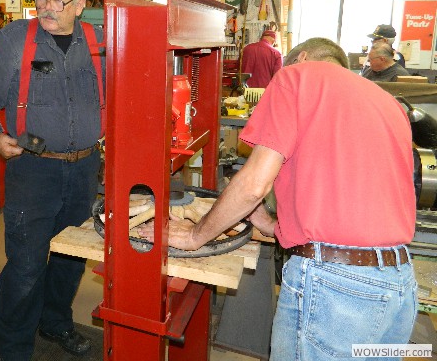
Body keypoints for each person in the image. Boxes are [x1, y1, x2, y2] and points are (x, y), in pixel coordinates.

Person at [140, 37, 417, 361]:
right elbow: (352, 201)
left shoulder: (296, 77)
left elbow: (254, 185)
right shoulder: (389, 104)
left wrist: (195, 235)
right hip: (398, 287)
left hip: (336, 288)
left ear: (300, 58)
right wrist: (271, 224)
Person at [0, 0, 105, 361]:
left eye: (56, 0)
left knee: (70, 258)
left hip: (83, 170)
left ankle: (56, 322)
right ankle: (14, 349)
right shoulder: (15, 40)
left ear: (79, 5)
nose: (45, 6)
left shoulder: (98, 43)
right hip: (32, 170)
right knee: (25, 266)